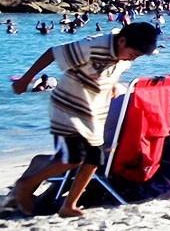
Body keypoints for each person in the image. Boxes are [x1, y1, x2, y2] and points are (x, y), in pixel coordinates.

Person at [10, 22, 158, 217]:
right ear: (122, 41)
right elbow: (53, 52)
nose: (133, 58)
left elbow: (114, 69)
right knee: (74, 157)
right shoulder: (93, 46)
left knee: (94, 158)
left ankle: (69, 205)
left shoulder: (123, 55)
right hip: (68, 106)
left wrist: (112, 85)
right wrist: (25, 80)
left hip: (93, 110)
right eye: (133, 54)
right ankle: (26, 184)